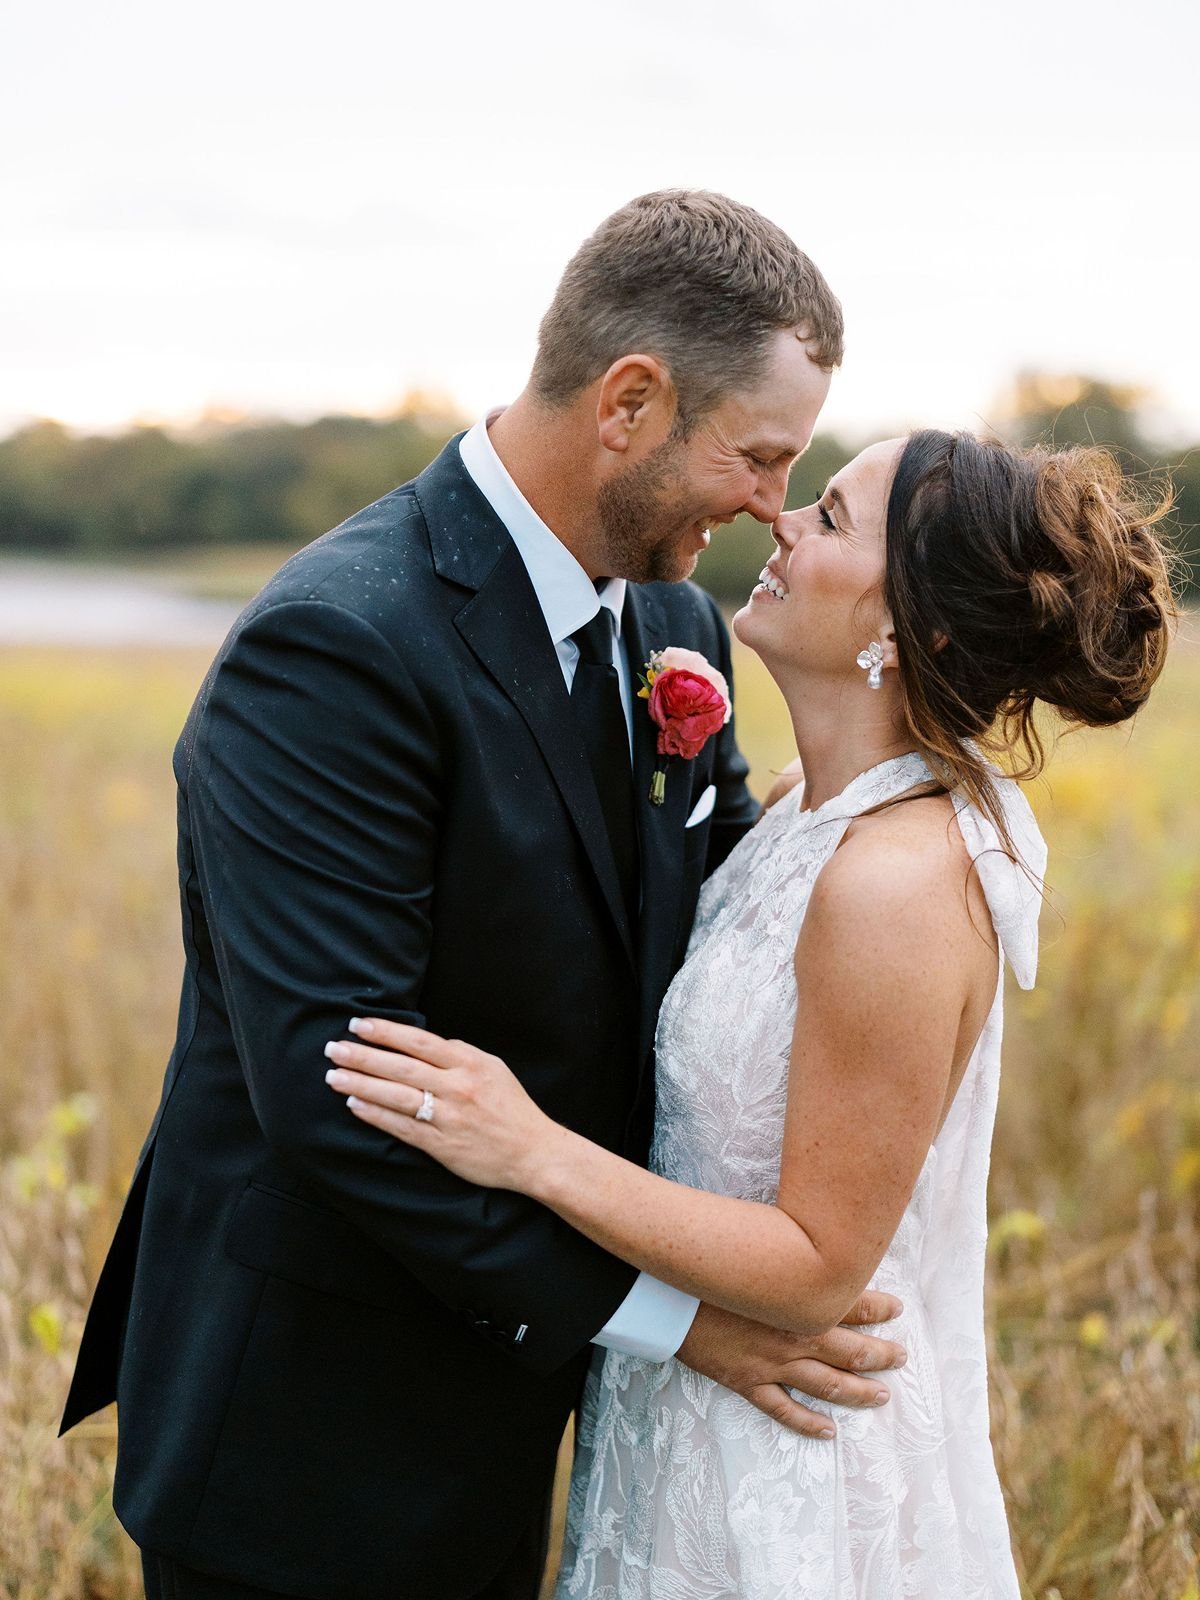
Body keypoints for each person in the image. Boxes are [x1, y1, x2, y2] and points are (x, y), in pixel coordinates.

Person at [60, 190, 911, 1600]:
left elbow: (719, 929)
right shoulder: (336, 647)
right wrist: (680, 1324)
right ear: (630, 402)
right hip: (317, 1428)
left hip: (532, 1401)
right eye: (759, 458)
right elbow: (345, 1099)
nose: (771, 504)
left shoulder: (676, 625)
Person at [324, 429, 1175, 1597]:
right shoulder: (800, 811)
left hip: (787, 1454)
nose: (781, 521)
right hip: (684, 1405)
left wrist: (533, 1150)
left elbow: (822, 1263)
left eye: (828, 518)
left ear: (913, 627)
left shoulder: (897, 883)